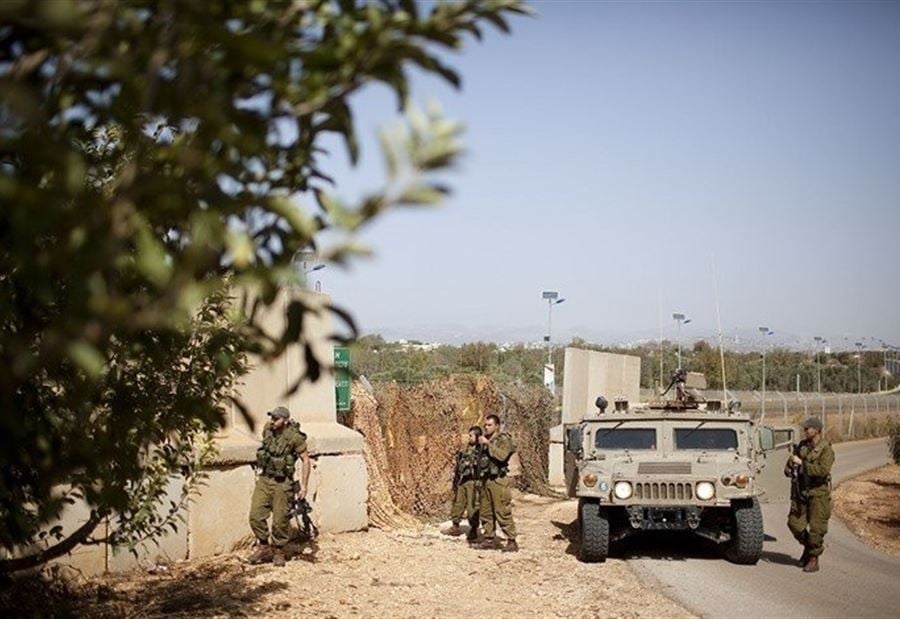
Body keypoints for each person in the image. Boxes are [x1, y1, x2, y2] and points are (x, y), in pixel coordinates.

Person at [247, 406, 311, 567]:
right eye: (272, 418)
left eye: (276, 419)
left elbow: (305, 460)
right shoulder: (268, 430)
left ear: (286, 420)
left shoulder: (295, 438)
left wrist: (304, 486)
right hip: (265, 479)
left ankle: (278, 551)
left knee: (280, 520)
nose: (273, 421)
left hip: (283, 483)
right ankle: (264, 546)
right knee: (255, 515)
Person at [784, 417, 834, 573]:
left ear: (817, 430)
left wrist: (802, 465)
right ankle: (809, 547)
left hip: (818, 493)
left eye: (807, 428)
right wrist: (791, 464)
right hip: (801, 492)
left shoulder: (826, 450)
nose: (805, 431)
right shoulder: (802, 446)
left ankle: (813, 558)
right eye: (804, 428)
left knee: (816, 529)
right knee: (794, 524)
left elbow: (822, 471)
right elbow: (790, 467)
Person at [474, 414, 518, 552]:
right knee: (485, 511)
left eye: (489, 425)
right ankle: (489, 538)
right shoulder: (484, 439)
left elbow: (502, 456)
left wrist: (488, 445)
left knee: (502, 511)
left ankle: (511, 541)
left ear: (497, 426)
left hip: (499, 480)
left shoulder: (503, 439)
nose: (486, 427)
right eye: (485, 425)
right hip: (486, 480)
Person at [444, 426, 483, 542]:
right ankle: (455, 525)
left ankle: (473, 528)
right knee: (459, 502)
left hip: (473, 481)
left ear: (478, 437)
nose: (469, 438)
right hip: (463, 479)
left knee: (472, 505)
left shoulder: (481, 449)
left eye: (471, 435)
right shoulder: (466, 449)